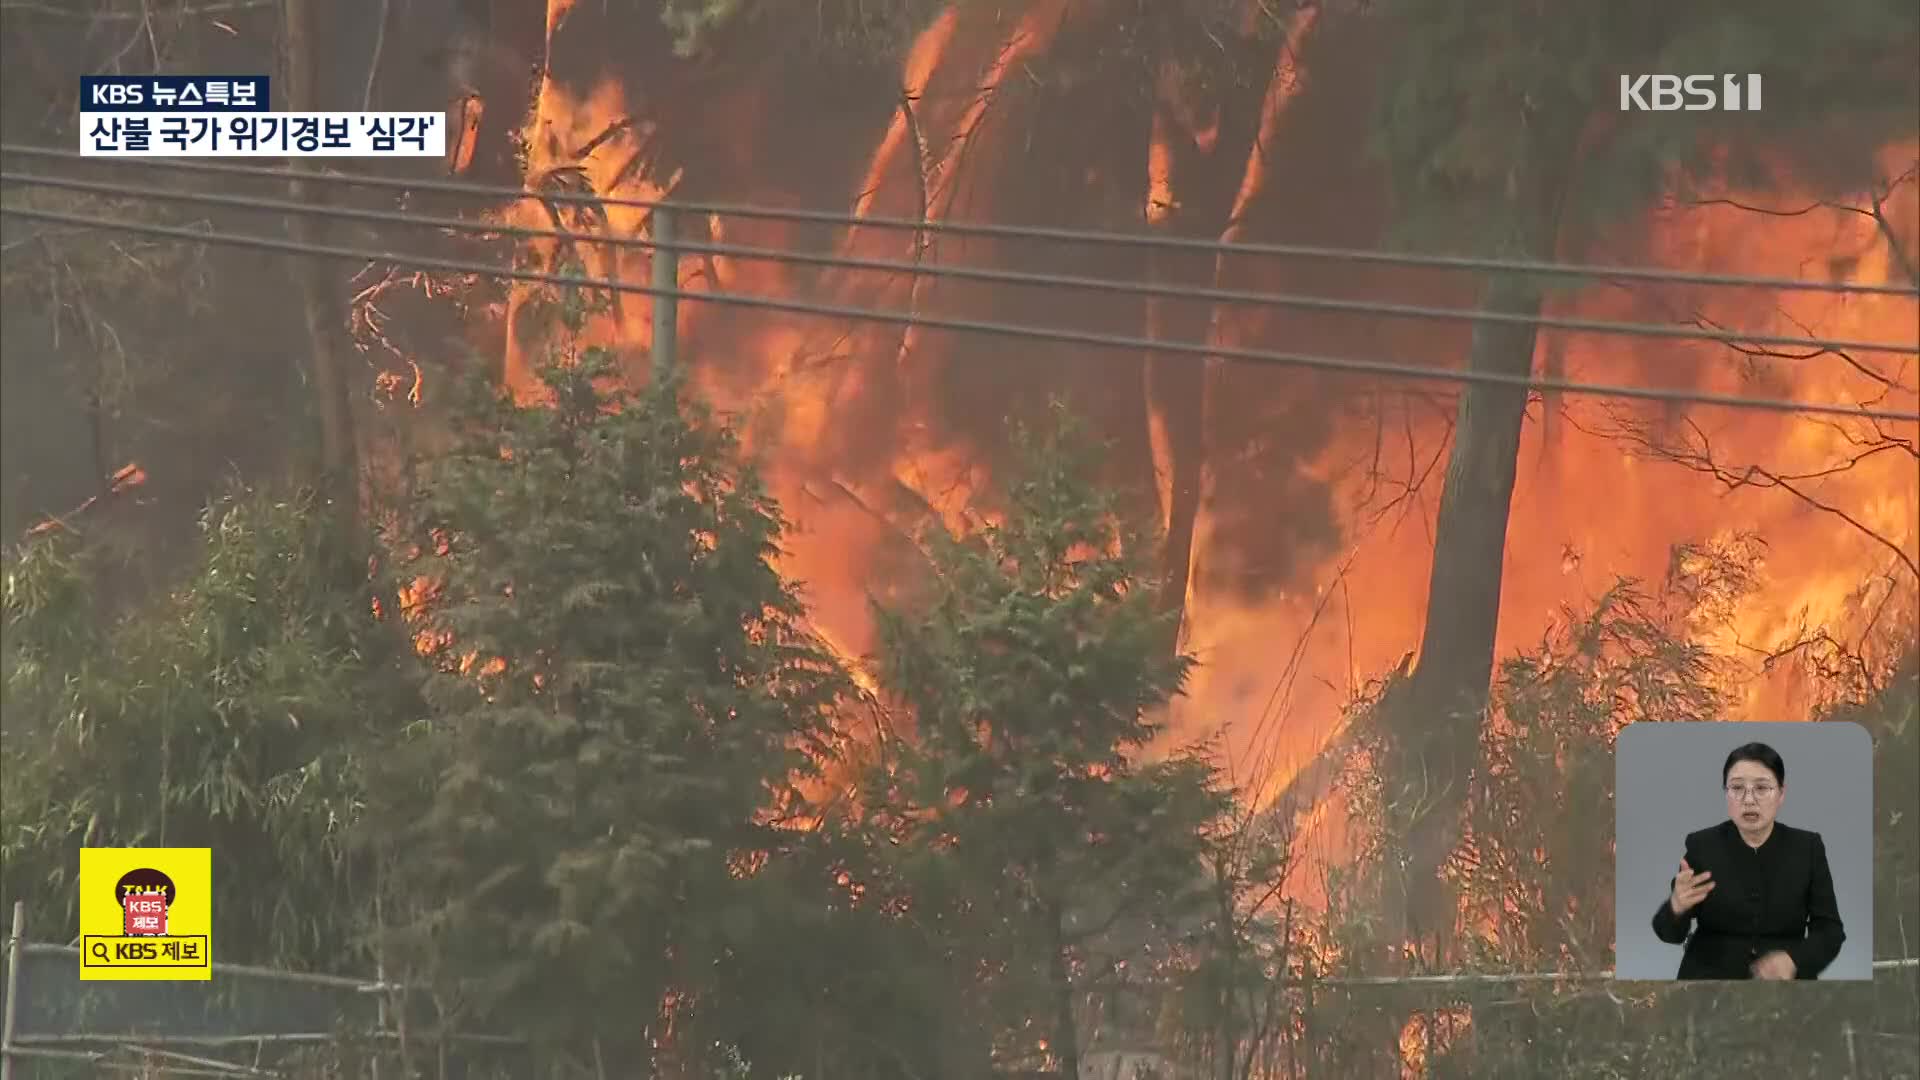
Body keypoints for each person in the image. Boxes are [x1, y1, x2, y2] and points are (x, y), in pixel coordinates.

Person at [1650, 742, 1846, 979]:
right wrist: (1676, 907)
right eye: (1737, 788)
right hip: (1709, 987)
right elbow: (1669, 934)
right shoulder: (1702, 846)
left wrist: (1795, 960)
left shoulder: (1807, 848)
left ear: (1781, 794)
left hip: (1783, 989)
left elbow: (1830, 930)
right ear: (1726, 793)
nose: (1749, 800)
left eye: (1762, 788)